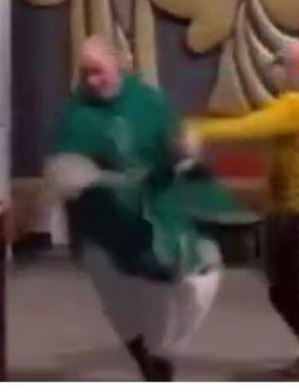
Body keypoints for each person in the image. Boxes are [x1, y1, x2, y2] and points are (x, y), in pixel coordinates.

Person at [44, 35, 241, 381]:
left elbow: (175, 146)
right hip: (103, 224)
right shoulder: (74, 113)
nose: (92, 81)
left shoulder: (149, 101)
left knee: (196, 279)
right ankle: (150, 365)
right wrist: (74, 175)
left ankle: (164, 354)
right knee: (122, 307)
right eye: (85, 73)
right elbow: (63, 165)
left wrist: (184, 150)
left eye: (98, 71)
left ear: (119, 65)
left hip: (157, 211)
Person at [186, 39, 299, 372]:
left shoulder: (298, 106)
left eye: (285, 66)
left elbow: (245, 127)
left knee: (283, 289)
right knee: (289, 285)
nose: (278, 73)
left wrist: (195, 130)